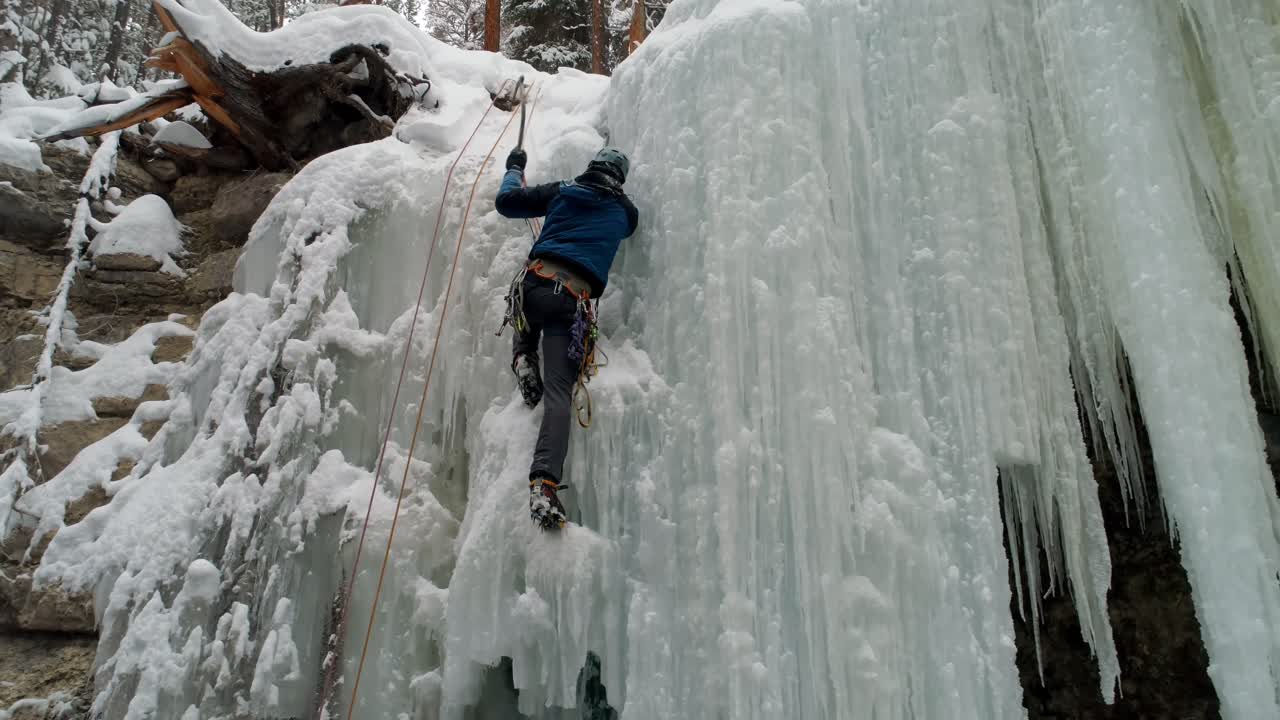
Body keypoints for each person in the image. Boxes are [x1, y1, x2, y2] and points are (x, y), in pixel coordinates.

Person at [495, 146, 638, 530]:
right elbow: (626, 224)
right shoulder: (625, 213)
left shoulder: (564, 189)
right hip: (571, 302)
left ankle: (523, 354)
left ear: (591, 166)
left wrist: (515, 168)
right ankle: (543, 486)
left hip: (532, 286)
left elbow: (507, 202)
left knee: (524, 314)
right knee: (558, 395)